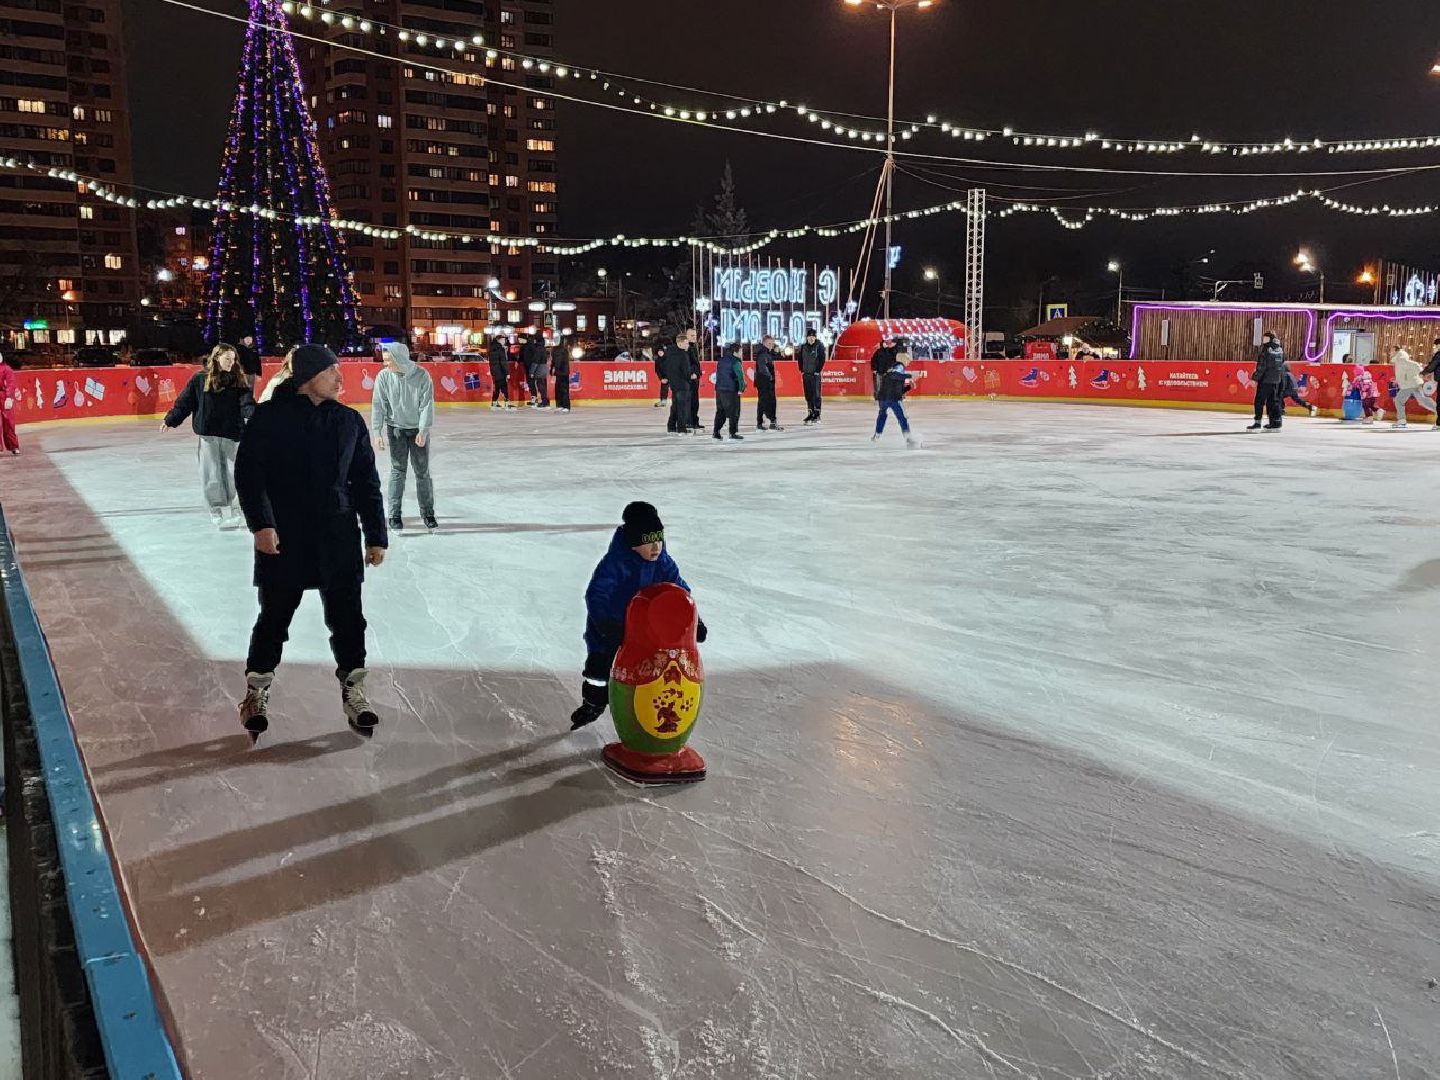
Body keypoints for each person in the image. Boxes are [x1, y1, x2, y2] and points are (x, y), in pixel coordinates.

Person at [234, 344, 388, 740]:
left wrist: (375, 535)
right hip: (285, 536)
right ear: (307, 377)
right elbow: (249, 476)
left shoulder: (348, 421)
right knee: (274, 619)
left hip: (338, 535)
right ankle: (256, 691)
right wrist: (261, 525)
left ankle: (354, 689)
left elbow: (366, 482)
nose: (340, 378)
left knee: (348, 619)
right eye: (331, 371)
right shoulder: (269, 418)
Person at [569, 501, 705, 730]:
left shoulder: (663, 563)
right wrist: (605, 624)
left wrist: (694, 621)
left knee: (654, 666)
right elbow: (596, 594)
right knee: (598, 669)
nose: (656, 547)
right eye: (648, 541)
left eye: (658, 539)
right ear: (633, 543)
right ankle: (593, 703)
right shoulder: (615, 564)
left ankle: (647, 706)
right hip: (611, 629)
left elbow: (681, 592)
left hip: (647, 630)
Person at [161, 343, 256, 528]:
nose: (231, 362)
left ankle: (237, 509)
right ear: (217, 358)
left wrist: (256, 417)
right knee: (211, 474)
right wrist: (171, 419)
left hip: (233, 434)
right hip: (208, 434)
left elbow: (247, 404)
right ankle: (216, 509)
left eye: (233, 359)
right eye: (227, 359)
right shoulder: (200, 379)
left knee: (236, 473)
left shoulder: (238, 380)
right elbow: (185, 402)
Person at [371, 341, 437, 532]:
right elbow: (378, 405)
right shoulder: (384, 377)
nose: (385, 364)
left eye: (388, 360)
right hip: (396, 430)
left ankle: (428, 513)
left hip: (417, 430)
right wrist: (377, 431)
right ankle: (394, 515)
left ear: (400, 359)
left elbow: (426, 405)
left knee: (422, 472)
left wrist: (423, 430)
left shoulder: (422, 375)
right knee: (397, 471)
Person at [872, 356, 919, 449]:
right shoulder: (899, 366)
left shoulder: (893, 370)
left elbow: (897, 387)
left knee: (882, 415)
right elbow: (894, 375)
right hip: (893, 399)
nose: (909, 362)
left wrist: (909, 387)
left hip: (883, 398)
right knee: (902, 418)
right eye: (908, 359)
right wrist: (910, 376)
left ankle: (877, 435)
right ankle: (908, 440)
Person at [1246, 332, 1286, 432]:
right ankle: (1275, 422)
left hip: (1265, 380)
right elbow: (1282, 364)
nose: (1263, 340)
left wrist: (1255, 378)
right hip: (1276, 380)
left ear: (1270, 339)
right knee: (1273, 401)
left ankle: (1257, 422)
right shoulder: (1280, 350)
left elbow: (1262, 366)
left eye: (1265, 338)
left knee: (1259, 401)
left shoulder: (1266, 350)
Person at [1392, 343, 1437, 428]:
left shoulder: (1401, 359)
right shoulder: (1399, 359)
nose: (1390, 352)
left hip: (1408, 384)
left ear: (1395, 350)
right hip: (1413, 383)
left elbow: (1415, 365)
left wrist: (1420, 372)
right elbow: (1405, 371)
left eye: (1391, 350)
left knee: (1399, 400)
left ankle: (1401, 420)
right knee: (1423, 400)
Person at [660, 331, 693, 435]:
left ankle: (671, 426)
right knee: (682, 407)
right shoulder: (683, 355)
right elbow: (686, 370)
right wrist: (690, 377)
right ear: (680, 343)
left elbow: (663, 366)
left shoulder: (669, 352)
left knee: (675, 406)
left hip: (673, 384)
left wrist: (666, 377)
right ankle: (681, 428)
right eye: (686, 343)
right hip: (682, 384)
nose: (688, 345)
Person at [712, 341, 746, 441]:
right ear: (735, 352)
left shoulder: (721, 360)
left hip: (720, 389)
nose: (742, 353)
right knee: (734, 412)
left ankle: (716, 432)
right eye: (741, 351)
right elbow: (740, 376)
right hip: (731, 390)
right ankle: (733, 433)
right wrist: (741, 388)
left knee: (720, 411)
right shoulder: (736, 362)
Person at [798, 329, 827, 425]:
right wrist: (801, 370)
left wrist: (817, 371)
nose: (811, 338)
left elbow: (822, 359)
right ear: (807, 337)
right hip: (806, 374)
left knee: (816, 395)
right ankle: (810, 413)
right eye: (809, 336)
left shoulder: (819, 346)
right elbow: (800, 359)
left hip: (815, 375)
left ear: (815, 337)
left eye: (813, 336)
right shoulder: (803, 347)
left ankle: (817, 415)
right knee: (808, 395)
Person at [754, 335, 783, 431]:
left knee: (764, 401)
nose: (771, 345)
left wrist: (776, 352)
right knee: (768, 401)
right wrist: (769, 376)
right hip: (765, 381)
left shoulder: (766, 352)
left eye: (772, 344)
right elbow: (762, 367)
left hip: (764, 380)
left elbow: (776, 357)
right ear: (764, 343)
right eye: (769, 343)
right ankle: (769, 422)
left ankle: (765, 422)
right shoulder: (763, 353)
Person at [523, 334, 550, 408]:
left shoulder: (538, 349)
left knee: (541, 386)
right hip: (544, 368)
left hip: (539, 369)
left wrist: (532, 372)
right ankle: (545, 401)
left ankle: (544, 402)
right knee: (543, 386)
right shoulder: (543, 348)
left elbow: (536, 361)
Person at [0, 349, 18, 456]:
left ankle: (13, 445)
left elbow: (11, 384)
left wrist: (9, 397)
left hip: (4, 396)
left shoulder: (7, 369)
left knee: (9, 422)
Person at [487, 334, 513, 409]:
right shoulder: (500, 349)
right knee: (504, 387)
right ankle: (507, 403)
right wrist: (507, 372)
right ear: (500, 340)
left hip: (494, 371)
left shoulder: (492, 348)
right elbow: (503, 362)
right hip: (500, 371)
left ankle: (494, 402)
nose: (505, 341)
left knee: (497, 387)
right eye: (504, 340)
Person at [870, 334, 898, 399]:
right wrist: (874, 369)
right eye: (887, 340)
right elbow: (874, 359)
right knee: (878, 385)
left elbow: (896, 358)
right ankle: (878, 396)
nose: (888, 341)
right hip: (880, 371)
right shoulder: (879, 350)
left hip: (890, 371)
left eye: (889, 339)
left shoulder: (894, 349)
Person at [551, 340, 573, 413]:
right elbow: (553, 361)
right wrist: (552, 369)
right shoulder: (554, 350)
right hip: (558, 373)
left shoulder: (563, 350)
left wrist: (555, 367)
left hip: (564, 373)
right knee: (558, 389)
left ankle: (566, 406)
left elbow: (560, 361)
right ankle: (559, 405)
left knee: (564, 390)